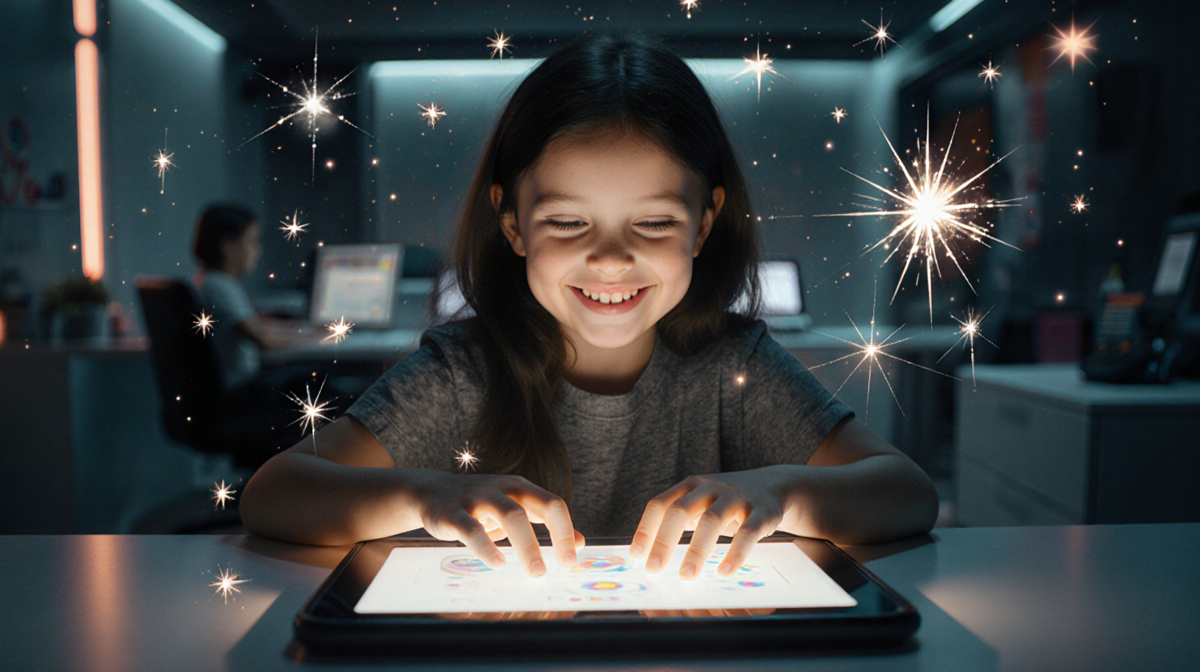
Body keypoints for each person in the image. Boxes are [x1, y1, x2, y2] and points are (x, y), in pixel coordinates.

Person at [240, 34, 939, 580]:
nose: (609, 259)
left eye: (655, 224)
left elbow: (907, 491)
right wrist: (423, 495)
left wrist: (783, 491)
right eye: (569, 224)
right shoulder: (465, 369)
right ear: (513, 222)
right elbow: (275, 493)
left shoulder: (735, 360)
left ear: (703, 222)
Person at [191, 204, 318, 388]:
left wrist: (305, 329)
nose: (258, 250)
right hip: (242, 390)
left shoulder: (208, 281)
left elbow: (260, 326)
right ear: (228, 246)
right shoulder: (219, 287)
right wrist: (321, 338)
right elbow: (264, 339)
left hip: (240, 388)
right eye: (252, 241)